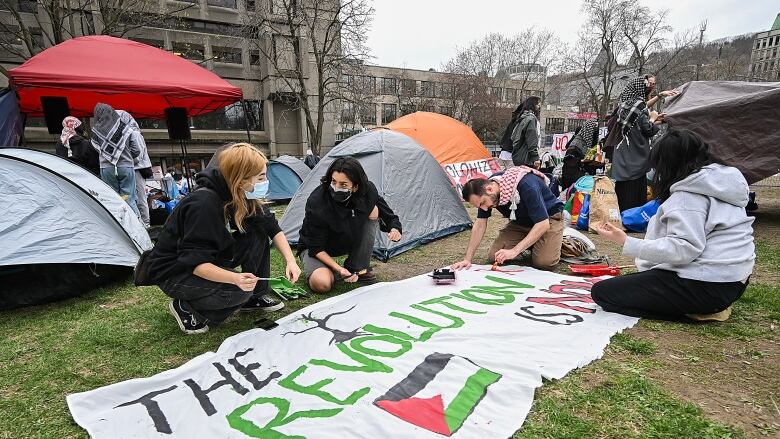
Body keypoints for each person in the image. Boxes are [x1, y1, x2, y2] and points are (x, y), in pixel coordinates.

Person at [592, 129, 754, 322]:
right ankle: (703, 305)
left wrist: (626, 241)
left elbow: (684, 248)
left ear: (668, 164)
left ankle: (697, 313)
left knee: (603, 293)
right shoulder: (721, 184)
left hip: (708, 285)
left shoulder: (688, 196)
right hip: (735, 281)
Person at [145, 143, 301, 334]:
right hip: (176, 271)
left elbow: (270, 226)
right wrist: (235, 278)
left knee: (258, 233)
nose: (265, 181)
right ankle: (187, 307)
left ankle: (255, 298)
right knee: (239, 292)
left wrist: (291, 261)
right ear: (241, 179)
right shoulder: (204, 205)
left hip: (205, 259)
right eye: (261, 177)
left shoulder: (241, 193)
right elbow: (196, 263)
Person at [298, 157, 402, 293]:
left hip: (346, 240)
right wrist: (339, 269)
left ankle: (358, 267)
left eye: (343, 185)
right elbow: (315, 247)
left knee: (374, 209)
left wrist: (395, 229)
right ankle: (330, 271)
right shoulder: (317, 201)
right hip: (317, 248)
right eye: (333, 182)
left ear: (356, 186)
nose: (336, 188)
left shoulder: (368, 190)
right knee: (322, 284)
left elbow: (389, 216)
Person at [452, 165, 565, 271]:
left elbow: (542, 224)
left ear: (490, 189)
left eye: (483, 203)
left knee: (544, 263)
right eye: (480, 206)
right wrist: (468, 259)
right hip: (521, 222)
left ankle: (559, 242)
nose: (485, 209)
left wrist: (515, 251)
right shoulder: (488, 190)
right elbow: (480, 223)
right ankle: (534, 243)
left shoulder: (527, 185)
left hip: (548, 218)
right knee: (495, 255)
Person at [611, 76, 677, 212]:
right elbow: (648, 130)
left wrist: (655, 120)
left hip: (624, 154)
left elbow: (638, 124)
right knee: (635, 189)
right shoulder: (639, 106)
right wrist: (653, 118)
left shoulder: (625, 105)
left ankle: (622, 214)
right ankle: (633, 216)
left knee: (623, 190)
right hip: (635, 157)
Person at [91, 103, 141, 216]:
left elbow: (96, 148)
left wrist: (108, 156)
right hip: (125, 166)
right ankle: (137, 225)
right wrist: (127, 156)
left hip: (107, 168)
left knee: (113, 199)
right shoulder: (125, 128)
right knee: (129, 198)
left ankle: (119, 225)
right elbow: (137, 149)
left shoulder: (95, 130)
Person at [117, 110, 153, 228]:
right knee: (130, 197)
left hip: (137, 169)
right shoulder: (125, 133)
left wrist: (125, 161)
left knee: (140, 197)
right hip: (130, 168)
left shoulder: (134, 133)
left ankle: (145, 223)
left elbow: (139, 154)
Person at [511, 96, 543, 168]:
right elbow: (531, 139)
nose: (539, 108)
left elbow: (513, 137)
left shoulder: (523, 117)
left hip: (519, 156)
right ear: (533, 105)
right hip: (526, 158)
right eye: (538, 105)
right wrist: (535, 157)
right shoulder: (531, 119)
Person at [497, 104, 523, 170]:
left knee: (502, 175)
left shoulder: (514, 120)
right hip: (511, 153)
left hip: (504, 152)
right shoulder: (520, 122)